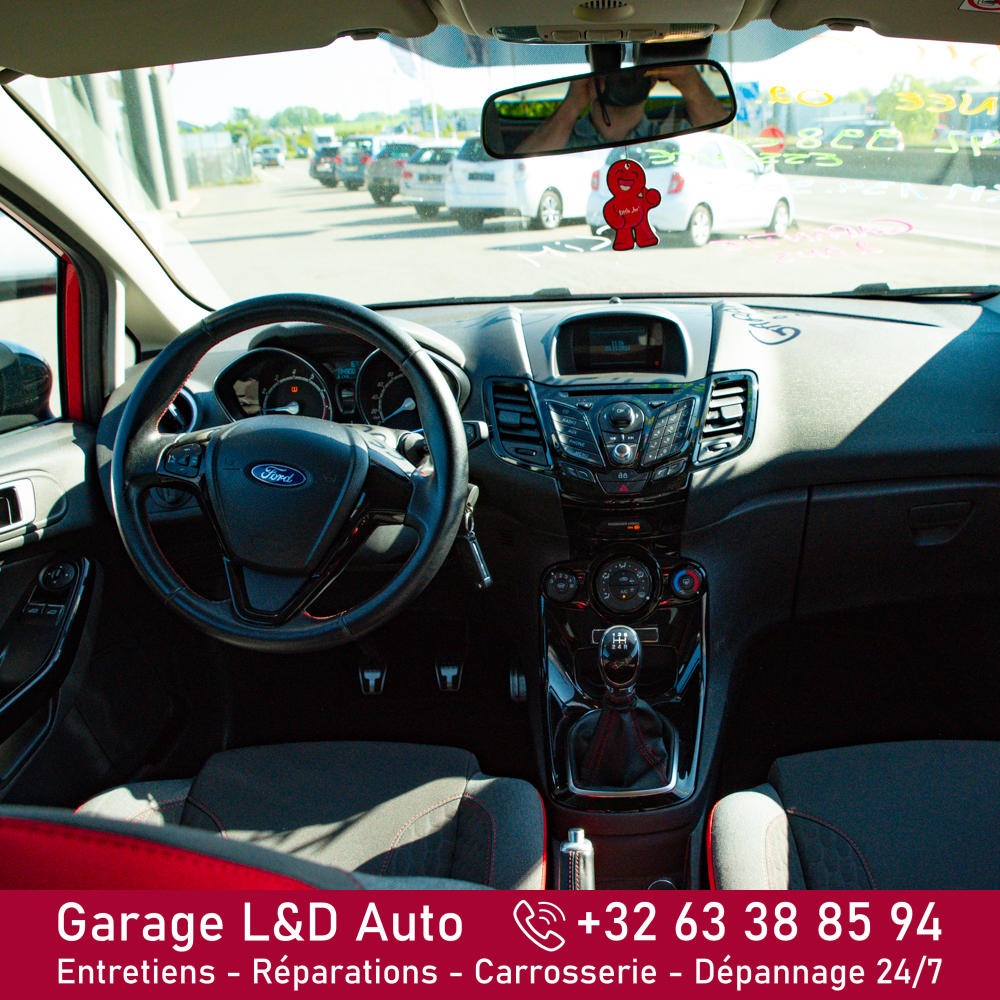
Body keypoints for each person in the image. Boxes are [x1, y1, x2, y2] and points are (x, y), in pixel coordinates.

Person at [516, 64, 727, 154]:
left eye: (636, 68)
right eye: (614, 66)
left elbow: (720, 140)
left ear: (653, 79)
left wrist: (689, 79)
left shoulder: (673, 138)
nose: (625, 72)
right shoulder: (562, 141)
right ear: (593, 78)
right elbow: (522, 167)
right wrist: (573, 104)